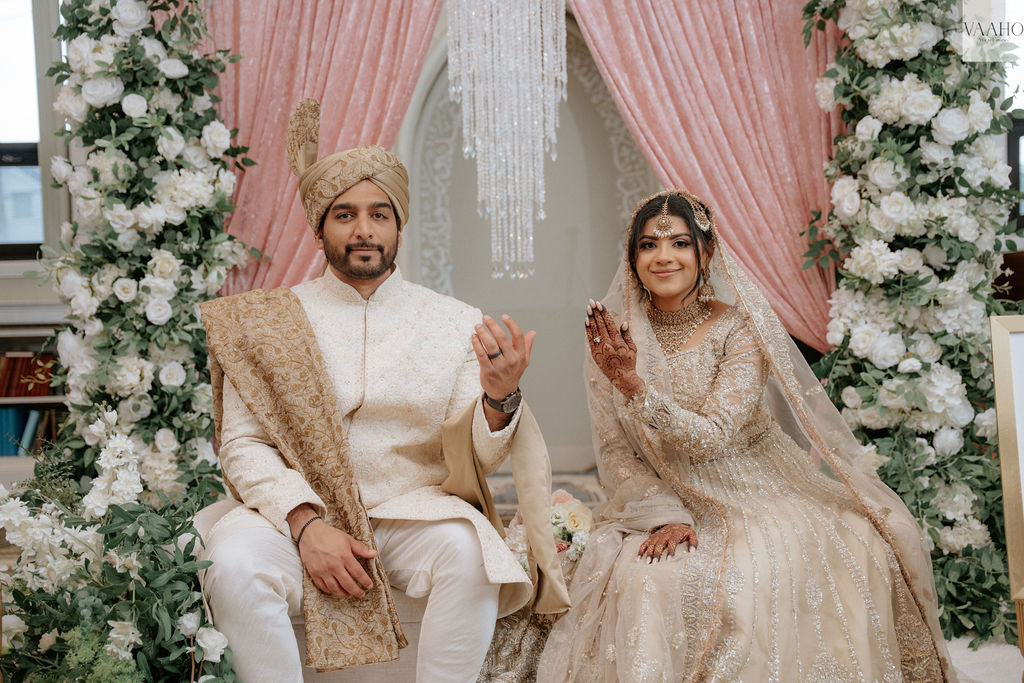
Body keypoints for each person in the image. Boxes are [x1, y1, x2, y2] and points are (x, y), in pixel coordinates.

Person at [196, 98, 567, 682]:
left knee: (473, 554)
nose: (364, 230)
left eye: (379, 214)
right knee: (234, 562)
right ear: (319, 228)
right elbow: (242, 445)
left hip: (408, 511)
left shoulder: (453, 322)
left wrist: (499, 399)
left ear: (399, 224)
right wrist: (306, 524)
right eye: (344, 214)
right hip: (293, 514)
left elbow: (474, 455)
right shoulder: (263, 323)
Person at [535, 190, 956, 682]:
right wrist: (663, 514)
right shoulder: (614, 340)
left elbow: (713, 436)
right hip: (662, 491)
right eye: (648, 244)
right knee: (647, 578)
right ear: (632, 258)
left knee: (766, 565)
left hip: (755, 483)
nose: (663, 256)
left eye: (680, 243)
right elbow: (614, 449)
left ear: (706, 252)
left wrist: (633, 385)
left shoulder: (739, 329)